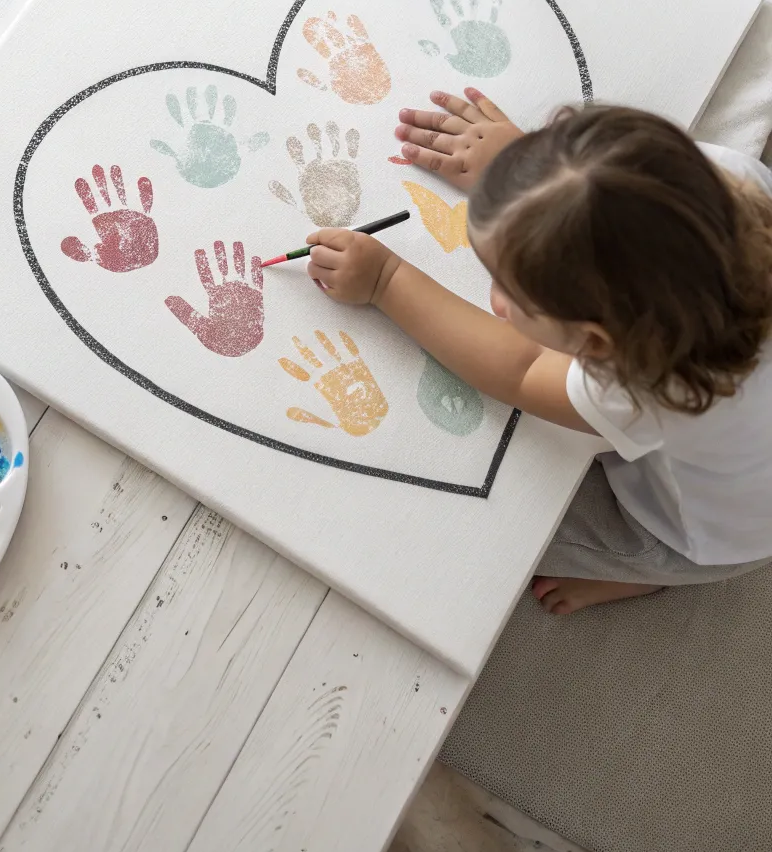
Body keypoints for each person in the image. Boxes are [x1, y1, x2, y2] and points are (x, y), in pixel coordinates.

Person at [307, 88, 772, 615]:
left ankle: (644, 572)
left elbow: (522, 368)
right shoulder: (734, 182)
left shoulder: (651, 386)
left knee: (476, 526)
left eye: (511, 291)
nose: (496, 302)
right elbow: (608, 200)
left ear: (596, 342)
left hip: (710, 538)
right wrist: (531, 176)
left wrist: (386, 281)